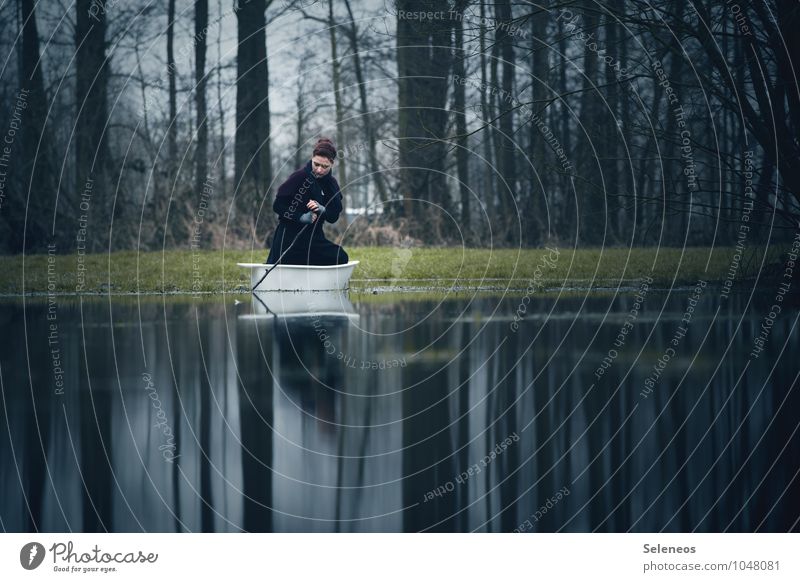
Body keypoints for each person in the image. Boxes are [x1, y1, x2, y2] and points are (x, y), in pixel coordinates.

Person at [266, 138, 349, 266]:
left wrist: (323, 210)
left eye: (324, 166)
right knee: (285, 263)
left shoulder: (332, 184)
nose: (319, 170)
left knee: (341, 257)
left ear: (332, 163)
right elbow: (278, 206)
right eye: (316, 164)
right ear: (312, 158)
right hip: (288, 238)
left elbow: (333, 216)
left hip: (314, 239)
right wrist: (301, 217)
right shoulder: (298, 177)